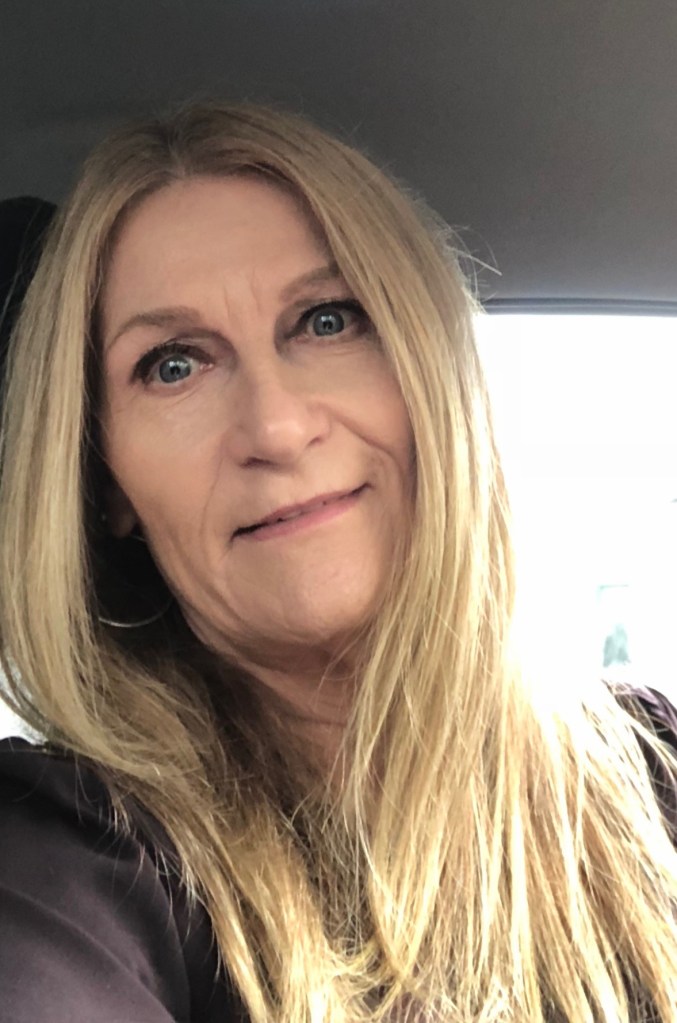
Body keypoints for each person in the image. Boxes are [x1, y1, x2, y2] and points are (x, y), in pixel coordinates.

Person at [0, 102, 675, 1023]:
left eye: (326, 319)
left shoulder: (650, 769)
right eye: (173, 366)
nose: (277, 427)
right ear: (107, 481)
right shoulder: (76, 849)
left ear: (430, 370)